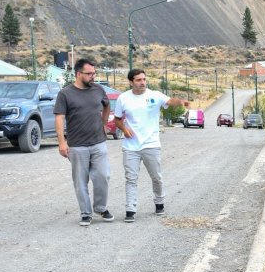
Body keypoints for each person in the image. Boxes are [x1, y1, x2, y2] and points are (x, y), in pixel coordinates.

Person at [113, 69, 190, 223]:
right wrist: (124, 129)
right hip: (131, 146)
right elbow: (117, 119)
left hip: (151, 144)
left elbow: (169, 102)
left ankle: (159, 202)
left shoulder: (155, 95)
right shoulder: (123, 98)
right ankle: (130, 209)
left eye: (144, 79)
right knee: (131, 179)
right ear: (130, 82)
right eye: (138, 80)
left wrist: (180, 102)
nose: (142, 82)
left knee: (156, 177)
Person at [55, 59, 114, 226]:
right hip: (77, 145)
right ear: (78, 74)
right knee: (80, 181)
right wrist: (62, 142)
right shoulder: (65, 94)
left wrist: (103, 123)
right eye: (89, 74)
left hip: (98, 142)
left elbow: (107, 105)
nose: (93, 76)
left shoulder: (98, 89)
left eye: (94, 73)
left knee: (103, 175)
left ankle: (101, 208)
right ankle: (86, 213)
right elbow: (59, 118)